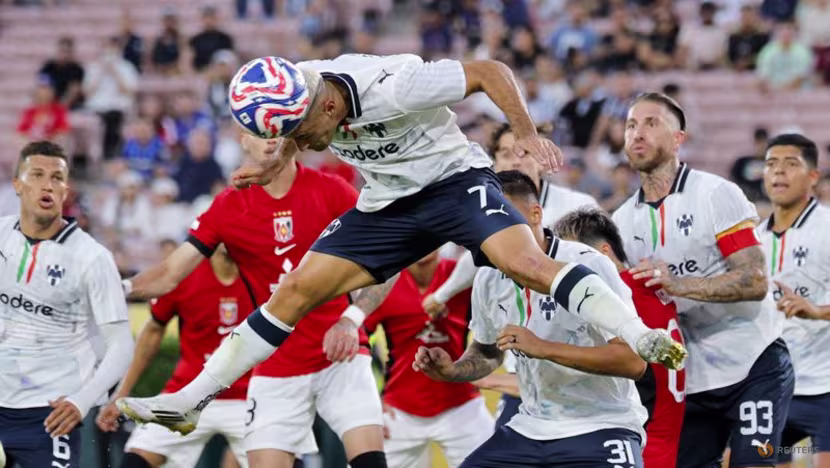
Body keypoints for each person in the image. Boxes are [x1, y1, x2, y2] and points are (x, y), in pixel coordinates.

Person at [117, 53, 685, 442]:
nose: (303, 145)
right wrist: (273, 161)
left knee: (527, 264)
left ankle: (637, 334)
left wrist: (527, 131)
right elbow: (291, 129)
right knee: (293, 292)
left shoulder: (394, 86)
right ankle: (191, 401)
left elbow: (489, 71)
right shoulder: (303, 92)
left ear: (328, 108)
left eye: (301, 134)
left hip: (452, 182)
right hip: (387, 203)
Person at [116, 152, 395, 468]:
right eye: (258, 131)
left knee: (369, 461)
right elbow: (166, 282)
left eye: (279, 129)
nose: (271, 138)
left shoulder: (332, 190)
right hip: (274, 369)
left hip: (338, 356)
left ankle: (188, 401)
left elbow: (390, 256)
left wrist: (351, 319)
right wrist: (117, 289)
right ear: (243, 138)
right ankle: (188, 401)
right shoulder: (226, 209)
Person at [414, 170, 648, 467]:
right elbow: (487, 352)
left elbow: (633, 362)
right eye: (483, 223)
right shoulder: (487, 277)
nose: (492, 232)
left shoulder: (588, 265)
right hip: (529, 426)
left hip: (601, 424)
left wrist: (543, 348)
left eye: (502, 219)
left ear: (536, 214)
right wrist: (453, 370)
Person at [612, 92, 794, 468]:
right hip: (689, 377)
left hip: (752, 363)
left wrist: (678, 285)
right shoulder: (621, 221)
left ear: (679, 138)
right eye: (631, 125)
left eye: (651, 123)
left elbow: (754, 280)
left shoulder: (715, 194)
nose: (637, 133)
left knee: (752, 463)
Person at [420, 122, 600, 428]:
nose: (515, 160)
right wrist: (443, 297)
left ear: (542, 159)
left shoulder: (578, 208)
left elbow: (608, 271)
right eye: (505, 153)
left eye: (524, 152)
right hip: (523, 374)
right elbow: (474, 262)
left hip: (584, 375)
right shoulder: (482, 220)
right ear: (493, 162)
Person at [0, 141, 133, 468]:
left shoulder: (93, 258)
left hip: (49, 414)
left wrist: (81, 401)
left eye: (57, 178)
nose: (47, 184)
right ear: (18, 185)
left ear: (65, 190)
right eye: (37, 175)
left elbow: (121, 344)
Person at [96, 245, 254, 468]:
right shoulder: (184, 273)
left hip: (250, 396)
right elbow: (153, 331)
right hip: (188, 393)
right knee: (135, 461)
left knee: (282, 459)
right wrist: (120, 394)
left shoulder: (265, 273)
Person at [553, 207, 686, 468]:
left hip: (637, 445)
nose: (566, 267)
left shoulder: (617, 299)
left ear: (603, 253)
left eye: (574, 255)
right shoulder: (649, 286)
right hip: (663, 440)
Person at [362, 250, 493, 467]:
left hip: (461, 405)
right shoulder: (385, 286)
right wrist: (369, 405)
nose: (423, 245)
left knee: (496, 460)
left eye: (430, 236)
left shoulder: (463, 275)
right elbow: (357, 344)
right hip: (399, 409)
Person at [756, 133, 830, 468]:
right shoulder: (753, 240)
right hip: (775, 388)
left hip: (825, 388)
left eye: (790, 164)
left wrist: (818, 311)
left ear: (813, 176)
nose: (778, 171)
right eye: (771, 164)